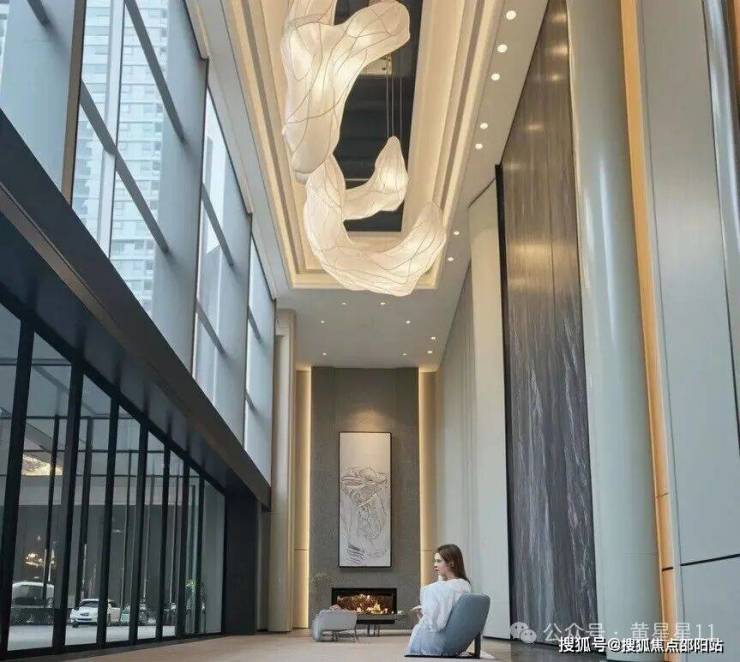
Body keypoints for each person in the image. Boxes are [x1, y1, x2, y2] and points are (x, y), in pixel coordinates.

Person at [406, 544, 472, 656]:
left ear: (451, 563)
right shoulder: (465, 585)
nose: (435, 565)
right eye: (435, 561)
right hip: (458, 640)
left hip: (438, 642)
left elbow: (436, 624)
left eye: (438, 561)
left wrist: (423, 612)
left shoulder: (439, 589)